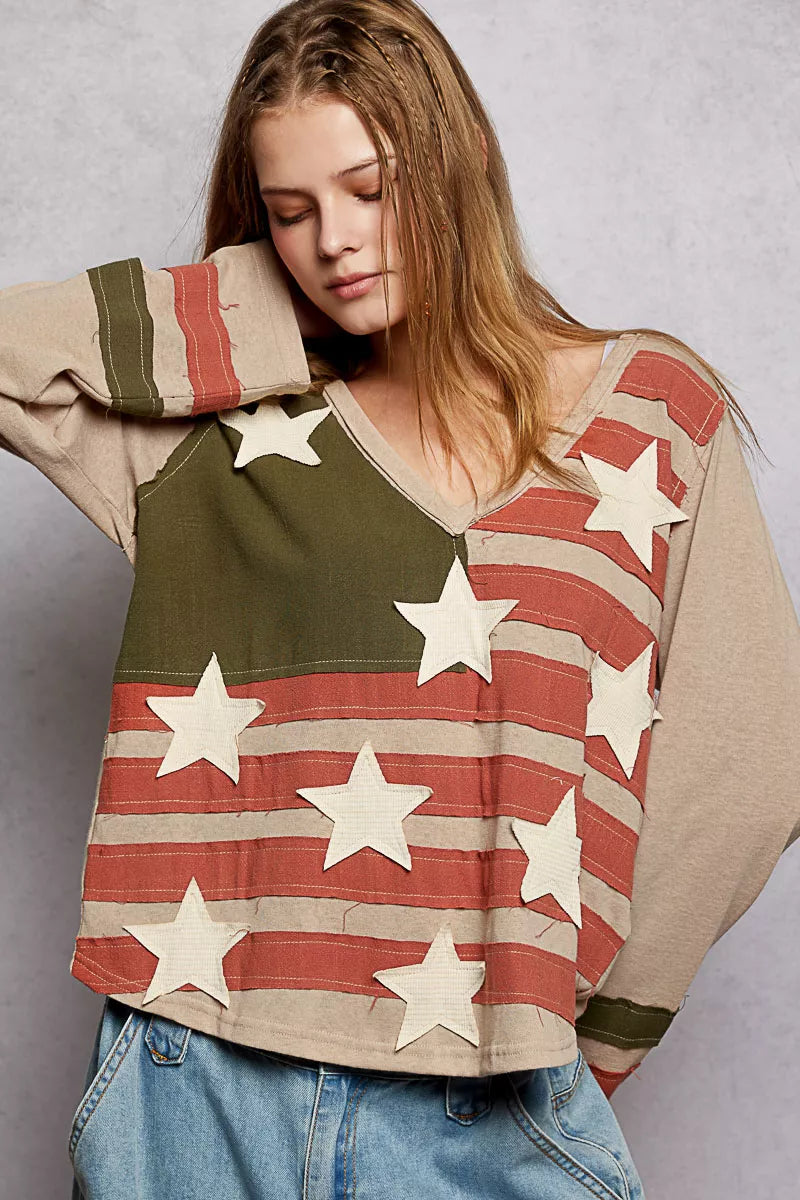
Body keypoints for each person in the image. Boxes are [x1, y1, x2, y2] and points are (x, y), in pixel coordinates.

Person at [1, 1, 798, 1197]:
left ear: (454, 164)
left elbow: (749, 765)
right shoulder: (209, 436)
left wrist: (582, 1037)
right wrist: (259, 311)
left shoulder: (650, 415)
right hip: (192, 1085)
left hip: (493, 1098)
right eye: (290, 211)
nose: (335, 241)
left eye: (370, 189)